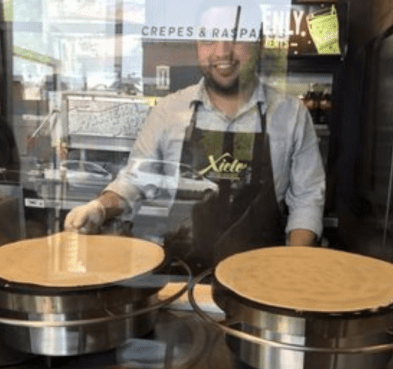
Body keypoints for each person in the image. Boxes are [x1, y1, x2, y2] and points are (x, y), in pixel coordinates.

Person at [65, 0, 325, 272]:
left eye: (236, 37)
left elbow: (308, 200)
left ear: (258, 42)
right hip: (181, 273)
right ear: (197, 46)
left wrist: (296, 267)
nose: (223, 52)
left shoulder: (291, 115)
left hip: (261, 282)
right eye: (210, 39)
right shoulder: (169, 111)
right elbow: (134, 180)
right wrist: (100, 207)